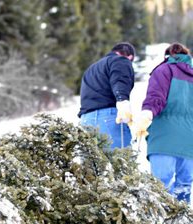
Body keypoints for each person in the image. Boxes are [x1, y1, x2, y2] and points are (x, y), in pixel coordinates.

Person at [135, 42, 193, 204]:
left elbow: (156, 98)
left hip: (164, 137)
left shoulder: (163, 70)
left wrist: (146, 113)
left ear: (168, 56)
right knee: (184, 187)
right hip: (190, 141)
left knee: (159, 188)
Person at [78, 42, 135, 149]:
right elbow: (120, 80)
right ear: (130, 57)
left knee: (92, 164)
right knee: (120, 162)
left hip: (86, 120)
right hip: (109, 118)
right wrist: (123, 101)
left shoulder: (91, 69)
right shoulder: (121, 61)